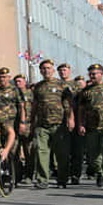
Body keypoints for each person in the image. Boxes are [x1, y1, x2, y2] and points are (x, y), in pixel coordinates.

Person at [31, 59, 74, 189]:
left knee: (61, 153)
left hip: (59, 124)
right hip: (42, 125)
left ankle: (62, 179)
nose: (46, 71)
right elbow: (35, 105)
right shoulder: (38, 87)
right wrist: (32, 121)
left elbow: (68, 104)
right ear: (40, 71)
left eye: (49, 68)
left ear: (53, 70)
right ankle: (42, 180)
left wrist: (70, 119)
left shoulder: (62, 85)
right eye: (43, 69)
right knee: (41, 152)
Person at [77, 64, 103, 191]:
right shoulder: (86, 91)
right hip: (91, 127)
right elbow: (81, 109)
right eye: (90, 74)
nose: (92, 76)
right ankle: (99, 172)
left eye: (95, 73)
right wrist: (81, 124)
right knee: (93, 156)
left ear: (101, 74)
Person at [13, 74, 34, 184]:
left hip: (28, 125)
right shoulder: (14, 94)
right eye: (16, 81)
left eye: (20, 81)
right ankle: (17, 175)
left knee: (28, 151)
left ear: (25, 82)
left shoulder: (31, 93)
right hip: (15, 125)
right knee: (15, 151)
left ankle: (29, 175)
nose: (18, 83)